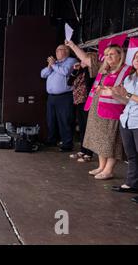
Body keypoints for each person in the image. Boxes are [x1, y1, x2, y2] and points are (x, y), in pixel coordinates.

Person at [80, 45, 130, 180]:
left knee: (111, 141)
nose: (108, 57)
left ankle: (109, 170)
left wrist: (110, 89)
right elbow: (86, 60)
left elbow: (125, 92)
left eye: (112, 54)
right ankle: (102, 166)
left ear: (120, 55)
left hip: (113, 111)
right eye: (107, 55)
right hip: (98, 109)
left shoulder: (127, 70)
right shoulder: (105, 70)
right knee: (100, 140)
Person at [107, 50, 138, 197]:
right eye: (136, 57)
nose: (137, 59)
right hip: (126, 120)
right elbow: (127, 101)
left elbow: (131, 96)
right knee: (132, 155)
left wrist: (127, 94)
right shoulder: (129, 78)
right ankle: (132, 184)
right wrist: (115, 94)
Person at [40, 44, 78, 152]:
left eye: (59, 50)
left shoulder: (71, 61)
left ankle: (67, 143)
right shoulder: (55, 63)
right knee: (51, 119)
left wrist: (53, 65)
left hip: (64, 96)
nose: (56, 52)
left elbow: (65, 72)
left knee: (65, 120)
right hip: (52, 97)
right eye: (56, 50)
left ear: (66, 51)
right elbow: (42, 74)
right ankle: (52, 140)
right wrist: (50, 66)